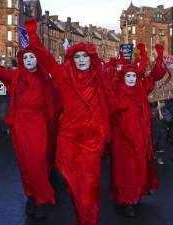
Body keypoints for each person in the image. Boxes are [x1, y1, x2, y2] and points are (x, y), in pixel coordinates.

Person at [27, 19, 111, 225]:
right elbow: (46, 59)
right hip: (70, 142)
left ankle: (87, 221)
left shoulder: (101, 79)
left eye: (85, 56)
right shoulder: (64, 76)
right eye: (77, 57)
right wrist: (33, 34)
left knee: (90, 187)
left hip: (92, 142)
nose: (81, 60)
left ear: (92, 59)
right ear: (72, 59)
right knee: (75, 188)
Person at [0, 27, 59, 219]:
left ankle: (42, 198)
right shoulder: (16, 76)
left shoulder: (45, 78)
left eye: (32, 57)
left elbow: (52, 68)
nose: (28, 61)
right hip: (20, 124)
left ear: (37, 59)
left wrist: (33, 35)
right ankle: (32, 196)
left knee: (37, 163)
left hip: (37, 125)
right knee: (24, 164)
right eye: (25, 58)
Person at [109, 44, 166, 217]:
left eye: (134, 75)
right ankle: (126, 199)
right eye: (128, 75)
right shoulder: (115, 89)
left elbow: (156, 75)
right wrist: (119, 107)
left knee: (138, 166)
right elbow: (109, 107)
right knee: (125, 168)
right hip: (122, 136)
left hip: (140, 134)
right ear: (123, 76)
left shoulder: (141, 88)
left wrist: (159, 56)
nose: (132, 78)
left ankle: (134, 195)